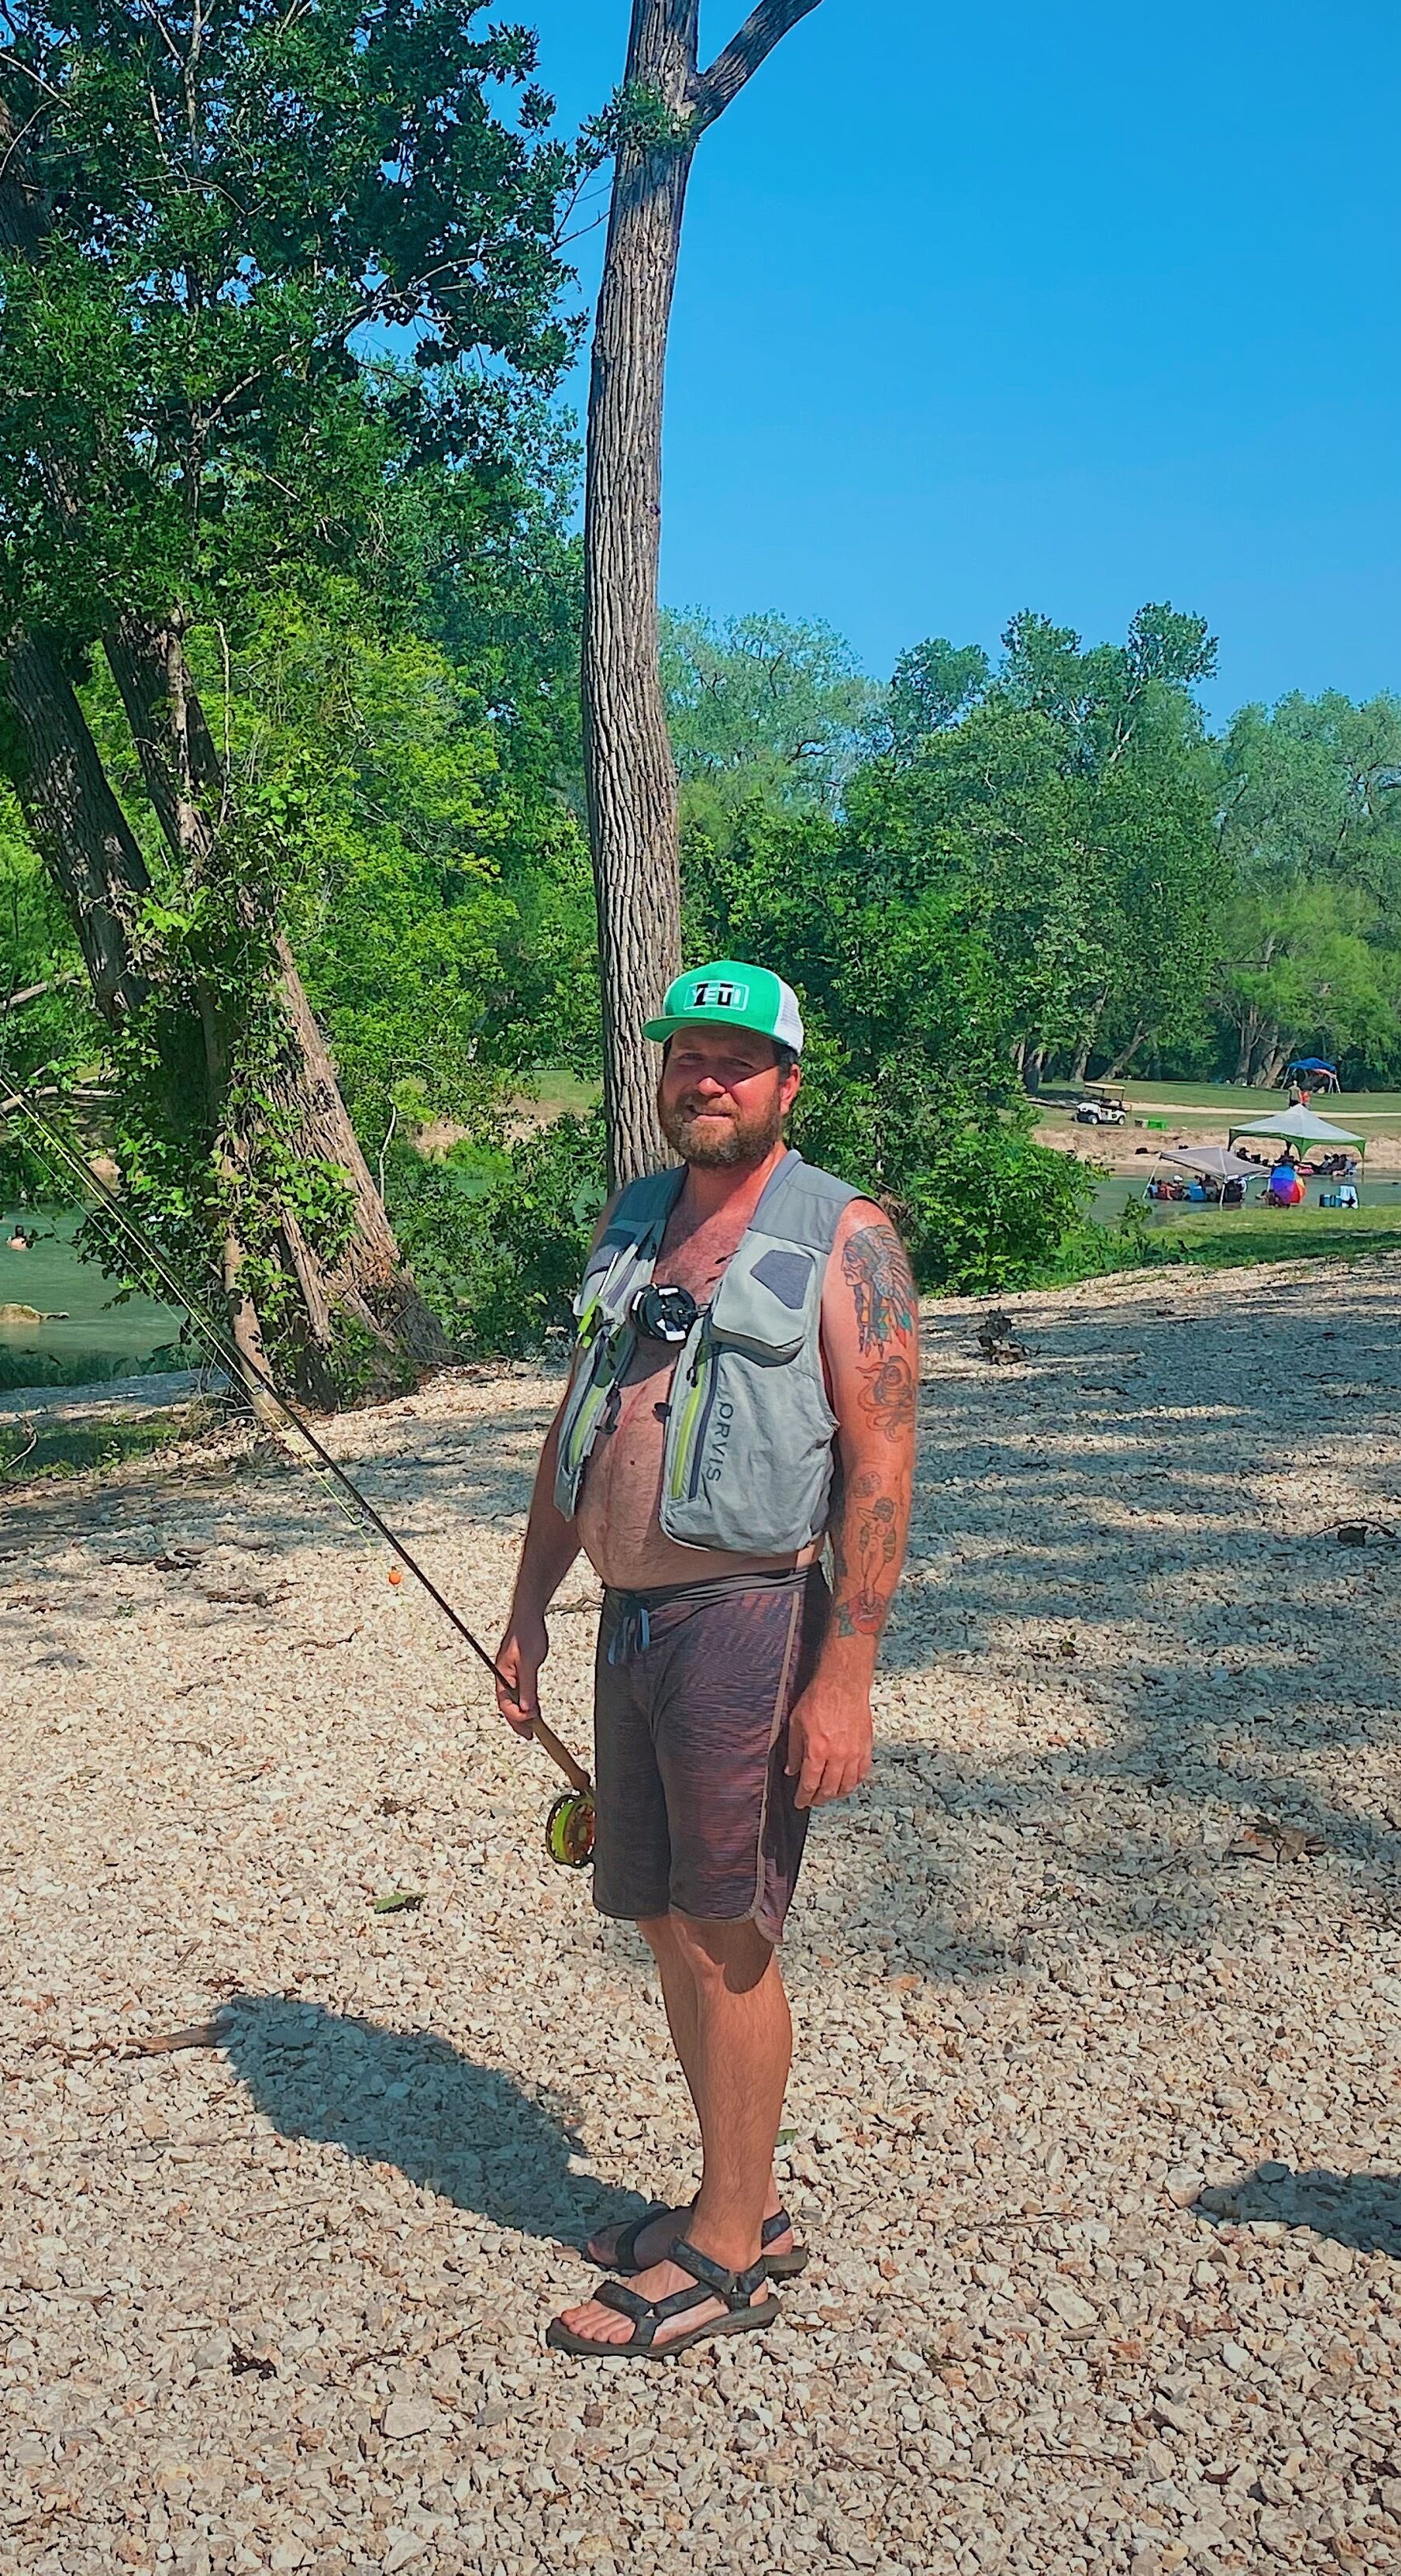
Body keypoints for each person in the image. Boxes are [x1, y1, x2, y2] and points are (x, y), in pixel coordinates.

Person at [496, 961, 920, 2359]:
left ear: (788, 1084)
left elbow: (879, 1470)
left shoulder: (842, 1235)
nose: (711, 1079)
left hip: (746, 1625)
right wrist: (530, 1608)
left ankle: (729, 2256)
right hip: (629, 1623)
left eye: (741, 1060)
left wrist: (842, 1679)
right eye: (691, 1054)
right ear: (665, 1071)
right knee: (665, 1918)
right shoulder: (635, 1220)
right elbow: (583, 1419)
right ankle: (740, 2199)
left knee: (727, 1930)